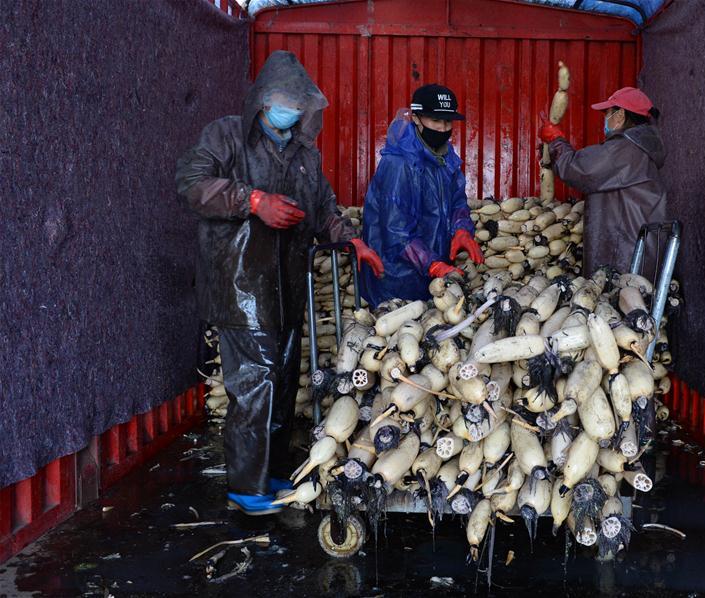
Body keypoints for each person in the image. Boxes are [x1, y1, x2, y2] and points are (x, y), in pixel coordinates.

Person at [175, 51, 383, 515]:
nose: (291, 111)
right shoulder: (227, 135)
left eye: (298, 104)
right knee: (255, 384)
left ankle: (268, 470)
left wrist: (352, 241)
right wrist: (252, 200)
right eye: (283, 101)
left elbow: (324, 210)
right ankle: (246, 488)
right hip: (239, 283)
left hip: (287, 287)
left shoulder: (304, 155)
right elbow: (191, 182)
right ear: (263, 101)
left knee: (284, 382)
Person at [359, 84, 483, 307]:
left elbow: (457, 201)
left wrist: (461, 228)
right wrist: (432, 264)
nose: (443, 128)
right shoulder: (398, 163)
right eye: (436, 121)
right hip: (397, 278)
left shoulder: (446, 157)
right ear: (416, 118)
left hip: (435, 275)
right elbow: (395, 231)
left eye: (447, 122)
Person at [539, 86, 667, 276]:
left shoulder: (626, 150)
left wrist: (557, 141)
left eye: (607, 113)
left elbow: (578, 169)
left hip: (625, 257)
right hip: (633, 252)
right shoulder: (637, 149)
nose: (604, 120)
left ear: (620, 115)